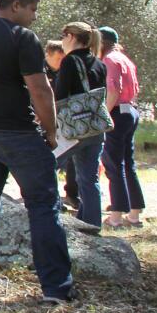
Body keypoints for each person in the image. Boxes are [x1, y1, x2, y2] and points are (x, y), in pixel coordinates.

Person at [0, 0, 74, 305]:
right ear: (15, 6)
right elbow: (40, 89)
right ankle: (56, 287)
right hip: (18, 134)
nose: (34, 17)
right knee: (43, 206)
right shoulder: (22, 37)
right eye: (32, 9)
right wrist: (50, 132)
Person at [52, 22, 106, 229]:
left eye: (63, 35)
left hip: (73, 128)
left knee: (48, 167)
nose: (62, 40)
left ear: (72, 37)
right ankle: (91, 224)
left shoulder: (70, 62)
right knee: (89, 179)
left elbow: (60, 95)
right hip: (95, 128)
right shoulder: (99, 63)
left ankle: (53, 215)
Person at [98, 27, 144, 228]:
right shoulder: (125, 59)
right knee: (127, 162)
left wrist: (103, 116)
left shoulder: (109, 60)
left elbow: (113, 91)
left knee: (113, 164)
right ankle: (134, 213)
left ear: (103, 42)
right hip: (130, 111)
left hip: (116, 112)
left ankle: (116, 216)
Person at [45, 39, 80, 212]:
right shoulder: (38, 68)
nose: (60, 63)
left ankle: (71, 195)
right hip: (43, 119)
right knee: (49, 161)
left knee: (67, 159)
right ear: (48, 55)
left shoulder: (65, 70)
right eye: (58, 59)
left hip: (63, 121)